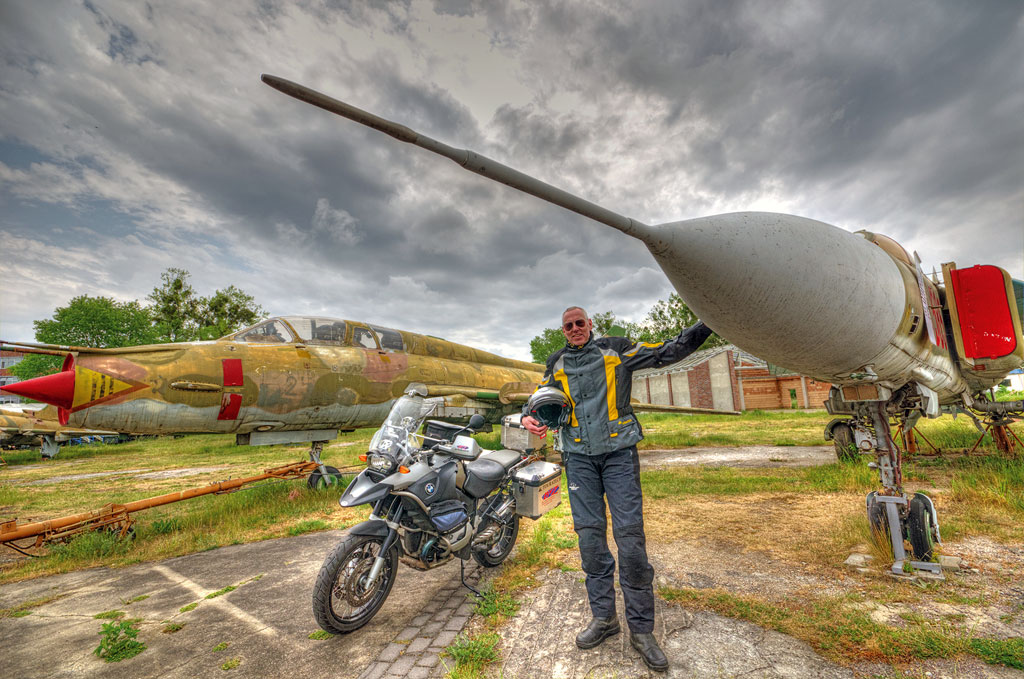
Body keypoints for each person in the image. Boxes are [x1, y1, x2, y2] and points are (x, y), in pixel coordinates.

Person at [522, 306, 711, 673]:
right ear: (562, 331)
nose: (575, 328)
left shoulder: (617, 349)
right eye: (568, 325)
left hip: (619, 456)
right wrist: (527, 414)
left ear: (590, 325)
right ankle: (604, 618)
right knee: (589, 538)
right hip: (577, 459)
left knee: (630, 538)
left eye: (580, 323)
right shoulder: (555, 362)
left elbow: (666, 352)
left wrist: (708, 323)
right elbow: (537, 399)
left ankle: (642, 631)